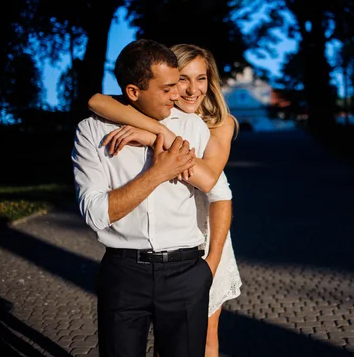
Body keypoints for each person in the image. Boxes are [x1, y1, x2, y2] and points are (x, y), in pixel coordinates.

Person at [72, 39, 233, 357]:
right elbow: (95, 213)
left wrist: (208, 269)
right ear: (133, 91)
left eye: (184, 82)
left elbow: (214, 187)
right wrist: (159, 172)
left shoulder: (193, 125)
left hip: (187, 272)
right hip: (123, 275)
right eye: (169, 87)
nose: (180, 95)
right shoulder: (91, 131)